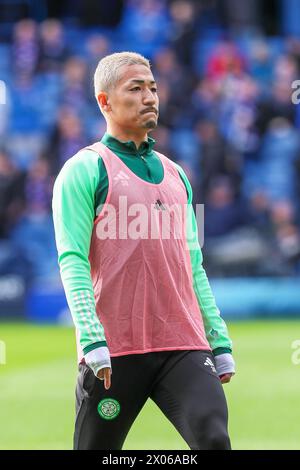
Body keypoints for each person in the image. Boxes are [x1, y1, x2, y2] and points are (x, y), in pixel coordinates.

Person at [52, 51, 235, 450]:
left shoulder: (177, 174)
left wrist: (217, 337)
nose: (150, 96)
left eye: (153, 87)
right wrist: (90, 338)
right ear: (105, 101)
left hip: (183, 344)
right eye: (135, 88)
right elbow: (72, 260)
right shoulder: (84, 170)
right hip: (115, 348)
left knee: (214, 439)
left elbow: (194, 264)